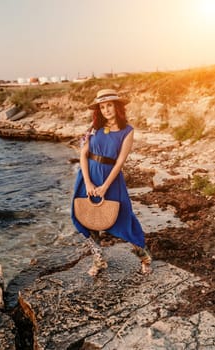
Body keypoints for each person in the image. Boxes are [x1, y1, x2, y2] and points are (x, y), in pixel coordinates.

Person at [71, 89, 152, 277]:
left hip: (111, 179)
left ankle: (144, 257)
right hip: (87, 177)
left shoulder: (127, 131)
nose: (106, 110)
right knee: (85, 216)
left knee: (124, 217)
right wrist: (89, 183)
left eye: (109, 105)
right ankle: (99, 260)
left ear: (117, 106)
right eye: (102, 107)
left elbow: (120, 162)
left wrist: (105, 186)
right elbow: (83, 155)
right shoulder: (93, 128)